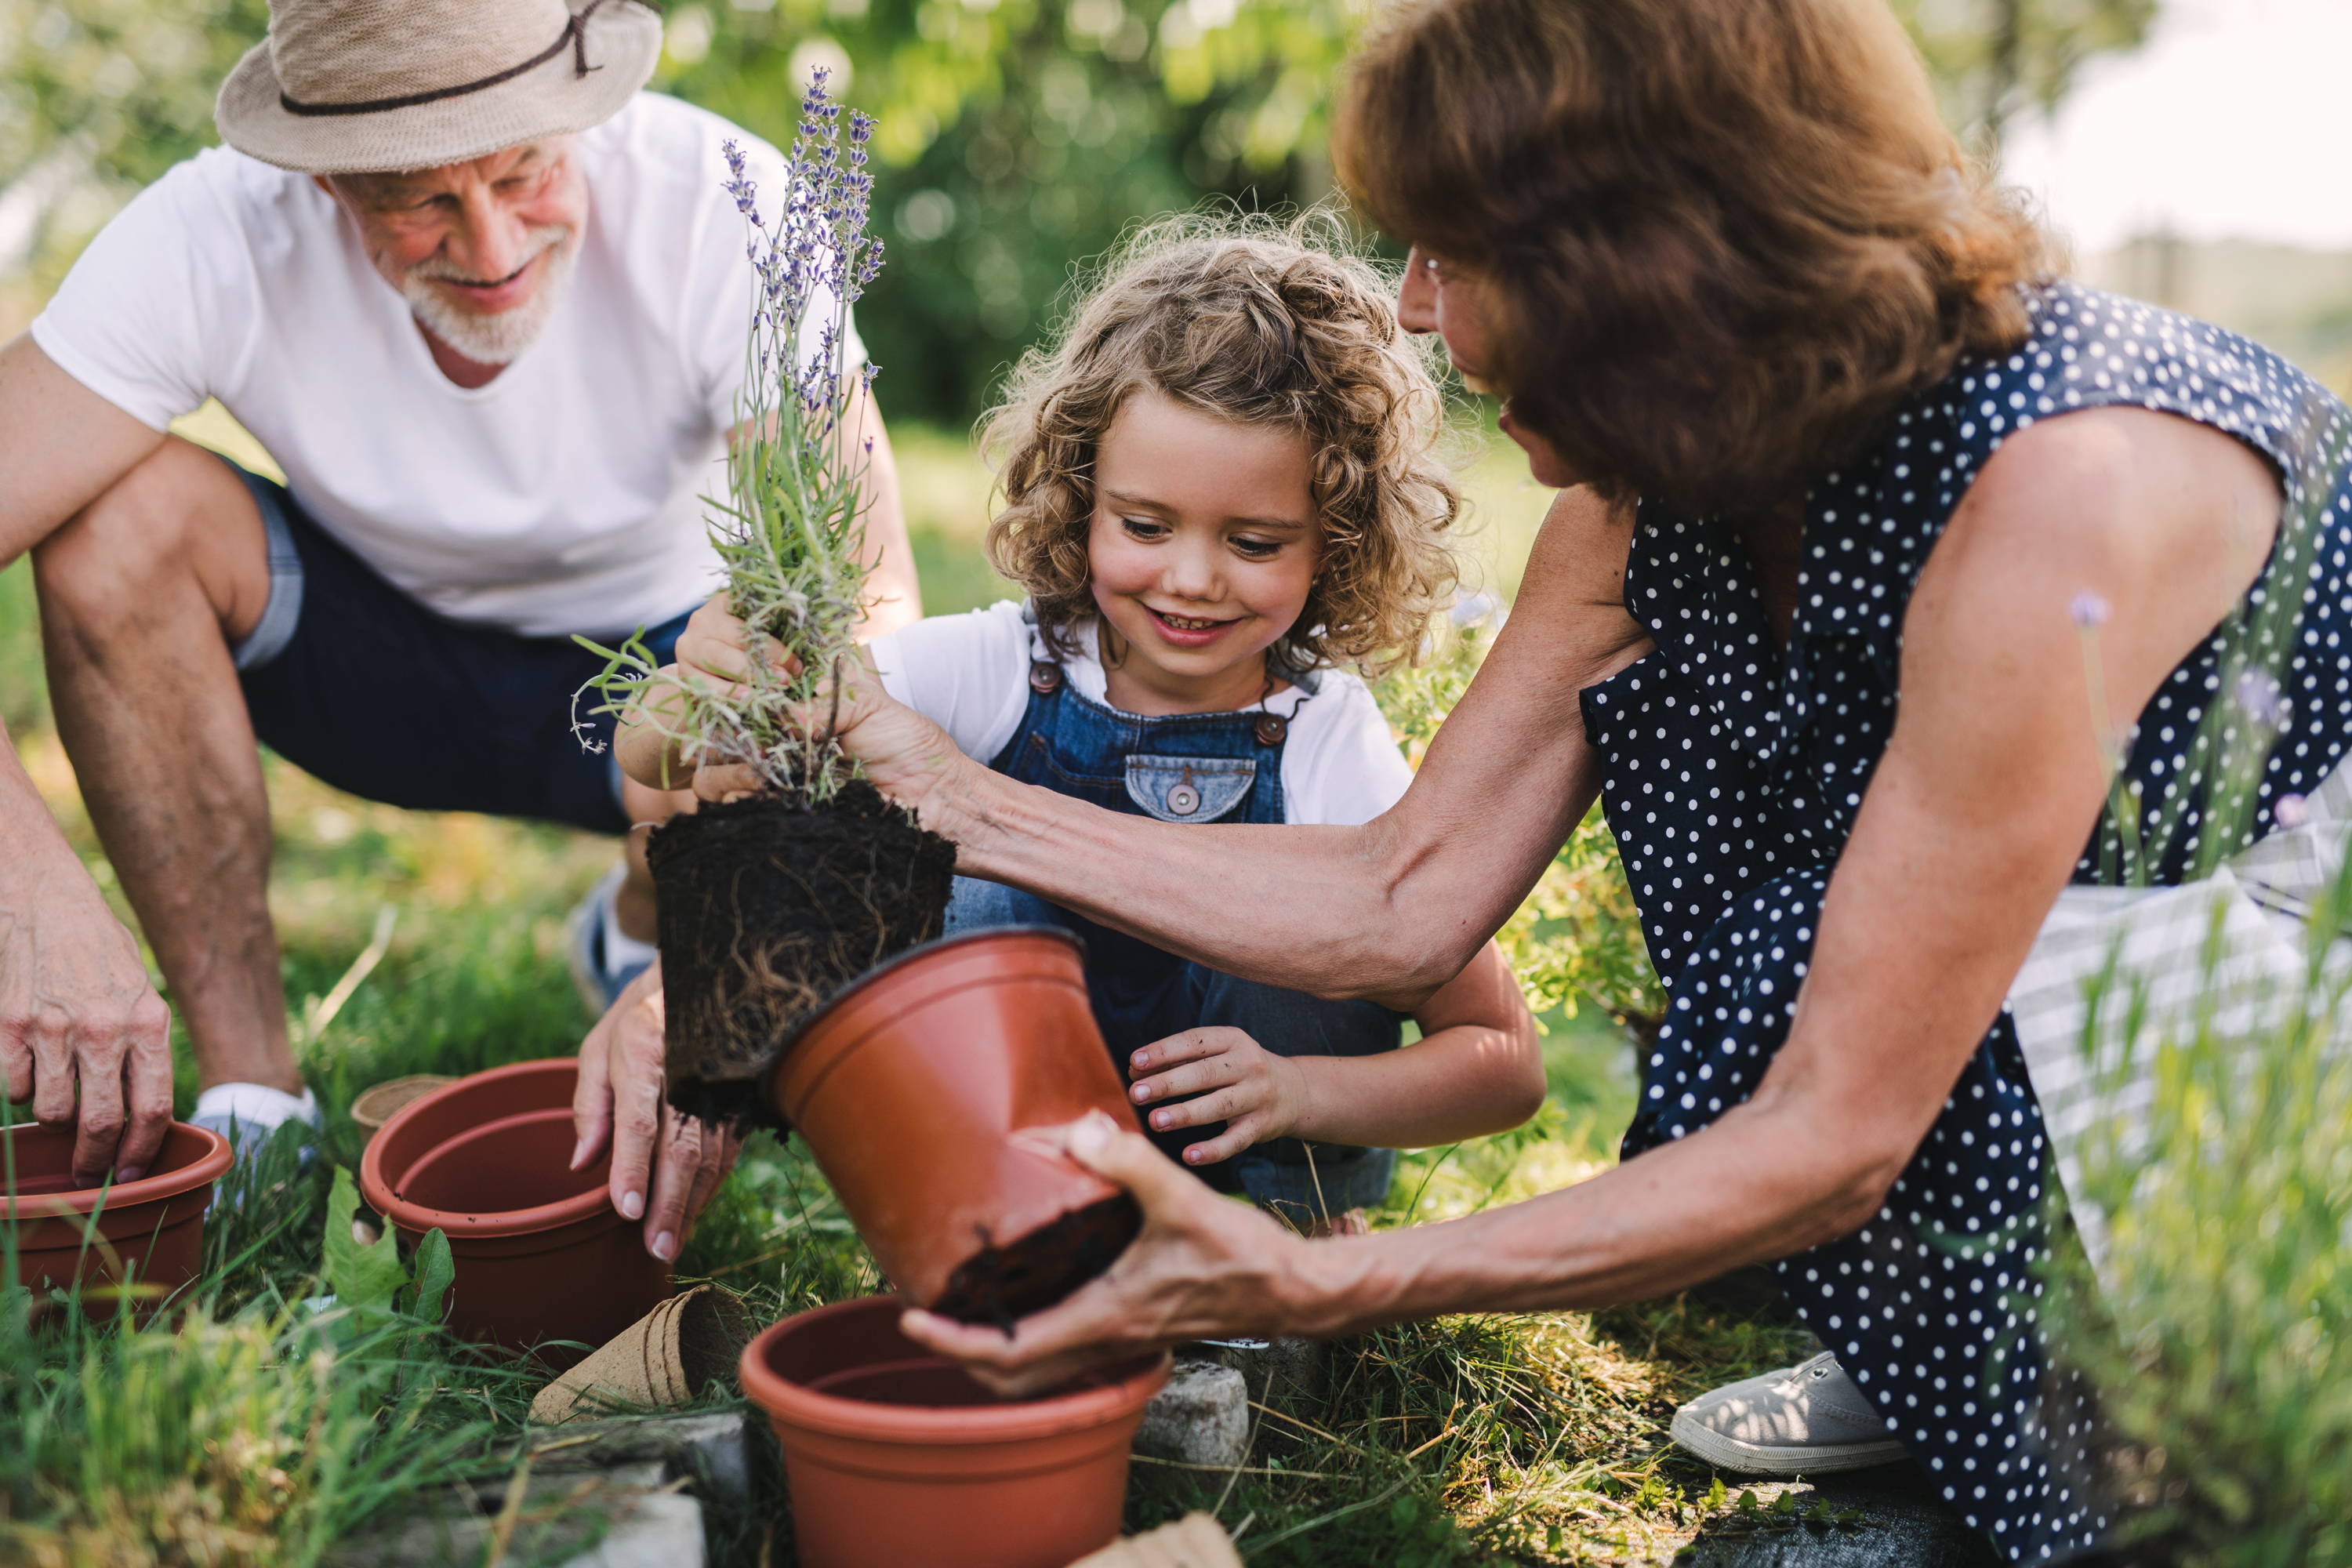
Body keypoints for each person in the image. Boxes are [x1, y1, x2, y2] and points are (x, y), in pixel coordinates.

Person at [652, 0, 2352, 1559]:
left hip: (2263, 1025)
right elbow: (1406, 895)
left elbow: (1834, 1127)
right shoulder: (1651, 493)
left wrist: (1320, 1276)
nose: (1406, 305)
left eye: (1453, 252)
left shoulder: (2054, 499)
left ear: (1647, 262)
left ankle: (2119, 1395)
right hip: (2012, 960)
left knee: (2170, 1497)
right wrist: (949, 794)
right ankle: (1947, 1372)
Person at [0, 0, 916, 1214]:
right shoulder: (212, 229)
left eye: (525, 171)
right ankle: (257, 1100)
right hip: (370, 663)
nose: (488, 247)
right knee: (113, 526)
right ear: (324, 178)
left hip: (655, 687)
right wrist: (32, 891)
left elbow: (869, 611)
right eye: (417, 201)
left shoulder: (720, 202)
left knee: (771, 678)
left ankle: (640, 930)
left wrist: (703, 968)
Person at [615, 223, 1546, 1232]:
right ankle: (986, 1226)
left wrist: (1301, 1091)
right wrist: (703, 681)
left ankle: (1298, 1239)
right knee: (955, 882)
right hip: (1015, 1178)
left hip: (1246, 1189)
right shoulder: (998, 669)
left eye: (1255, 540)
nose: (1191, 578)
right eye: (1145, 526)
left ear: (1339, 540)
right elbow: (664, 753)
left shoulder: (1325, 736)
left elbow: (1502, 1064)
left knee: (1321, 921)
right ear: (1080, 497)